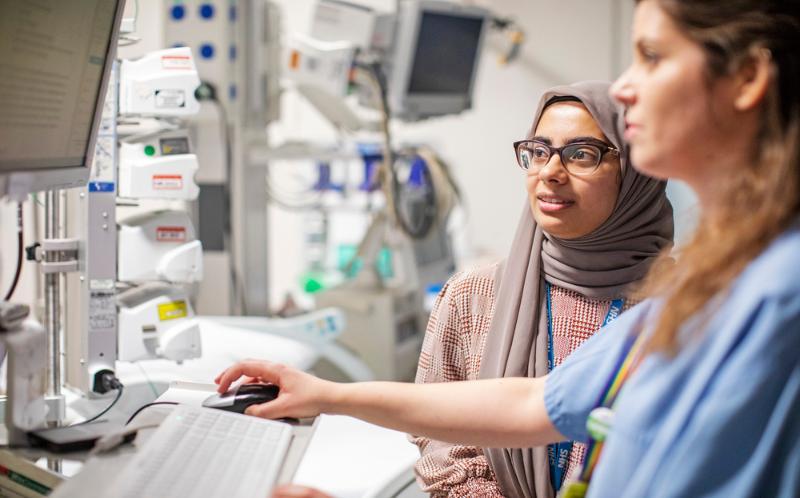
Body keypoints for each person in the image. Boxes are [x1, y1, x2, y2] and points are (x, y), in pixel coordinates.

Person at [220, 0, 800, 496]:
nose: (625, 87)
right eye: (538, 151)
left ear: (747, 79)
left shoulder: (772, 296)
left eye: (651, 56)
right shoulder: (711, 285)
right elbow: (532, 404)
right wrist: (326, 394)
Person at [410, 81, 672, 498]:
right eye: (538, 151)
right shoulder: (471, 296)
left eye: (581, 154)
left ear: (635, 173)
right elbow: (439, 436)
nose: (550, 171)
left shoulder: (688, 307)